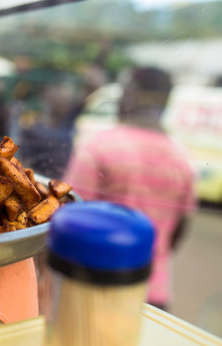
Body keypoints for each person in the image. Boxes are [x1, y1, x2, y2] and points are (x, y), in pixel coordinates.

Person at [64, 66, 197, 311]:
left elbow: (70, 215)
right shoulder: (181, 158)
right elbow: (179, 229)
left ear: (130, 94)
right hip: (154, 295)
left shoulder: (98, 147)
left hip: (97, 287)